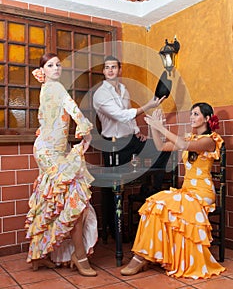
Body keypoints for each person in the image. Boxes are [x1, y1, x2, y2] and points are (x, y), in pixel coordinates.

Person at [121, 102, 226, 279]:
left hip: (202, 193)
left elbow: (183, 145)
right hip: (187, 191)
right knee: (155, 203)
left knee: (165, 203)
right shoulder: (190, 138)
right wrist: (153, 126)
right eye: (191, 114)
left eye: (196, 114)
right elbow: (161, 146)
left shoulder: (210, 140)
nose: (192, 117)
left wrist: (160, 127)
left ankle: (143, 257)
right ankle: (142, 256)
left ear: (207, 119)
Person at [25, 53, 98, 277]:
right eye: (50, 65)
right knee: (74, 199)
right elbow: (73, 109)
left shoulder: (48, 87)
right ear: (43, 70)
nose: (56, 68)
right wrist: (86, 131)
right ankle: (79, 255)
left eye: (58, 65)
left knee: (51, 198)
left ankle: (40, 255)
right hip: (49, 151)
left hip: (53, 150)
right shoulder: (54, 87)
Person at [93, 55, 166, 242]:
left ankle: (148, 192)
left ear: (120, 70)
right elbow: (119, 115)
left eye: (114, 67)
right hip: (114, 144)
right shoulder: (100, 94)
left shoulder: (124, 89)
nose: (110, 70)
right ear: (104, 71)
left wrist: (137, 131)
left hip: (130, 139)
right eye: (107, 67)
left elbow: (129, 117)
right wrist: (148, 105)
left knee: (162, 151)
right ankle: (112, 230)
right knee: (114, 188)